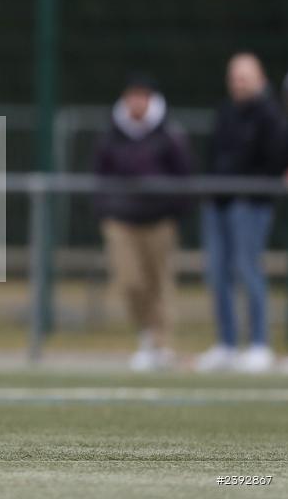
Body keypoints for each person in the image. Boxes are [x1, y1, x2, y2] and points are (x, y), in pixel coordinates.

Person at [93, 75, 192, 372]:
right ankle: (147, 336)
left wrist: (173, 210)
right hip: (121, 220)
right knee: (130, 282)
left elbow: (184, 174)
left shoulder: (169, 134)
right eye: (132, 95)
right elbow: (99, 176)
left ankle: (161, 343)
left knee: (160, 283)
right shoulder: (112, 134)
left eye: (142, 96)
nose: (136, 102)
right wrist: (107, 210)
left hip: (159, 220)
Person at [197, 53, 285, 373]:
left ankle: (259, 343)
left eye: (245, 77)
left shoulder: (270, 114)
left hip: (251, 204)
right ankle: (227, 344)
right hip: (219, 202)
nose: (239, 83)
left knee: (248, 269)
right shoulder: (225, 111)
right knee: (218, 274)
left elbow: (276, 159)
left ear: (260, 79)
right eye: (234, 77)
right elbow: (213, 155)